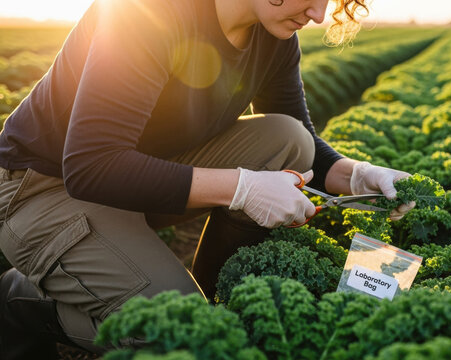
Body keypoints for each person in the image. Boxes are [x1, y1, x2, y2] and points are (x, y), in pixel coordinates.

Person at [0, 0, 415, 357]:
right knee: (185, 336)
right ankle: (21, 302)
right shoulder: (147, 14)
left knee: (287, 139)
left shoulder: (272, 36)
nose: (320, 14)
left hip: (134, 179)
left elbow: (304, 137)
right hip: (40, 189)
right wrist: (242, 187)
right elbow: (91, 166)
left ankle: (212, 294)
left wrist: (357, 174)